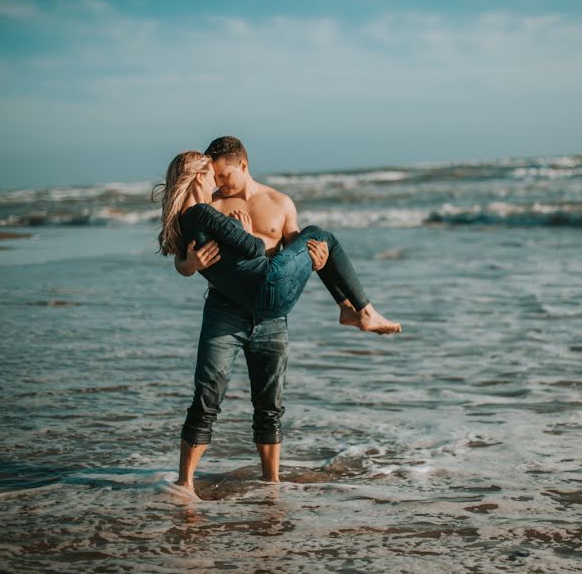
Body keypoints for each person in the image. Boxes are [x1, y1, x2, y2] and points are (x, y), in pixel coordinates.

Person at [155, 137, 400, 493]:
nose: (220, 184)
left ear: (242, 165)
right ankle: (185, 483)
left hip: (270, 314)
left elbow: (293, 254)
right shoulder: (210, 204)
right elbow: (183, 254)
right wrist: (189, 264)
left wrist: (318, 261)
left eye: (224, 176)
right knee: (207, 397)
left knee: (270, 403)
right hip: (226, 309)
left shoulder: (280, 203)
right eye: (214, 177)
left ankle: (272, 483)